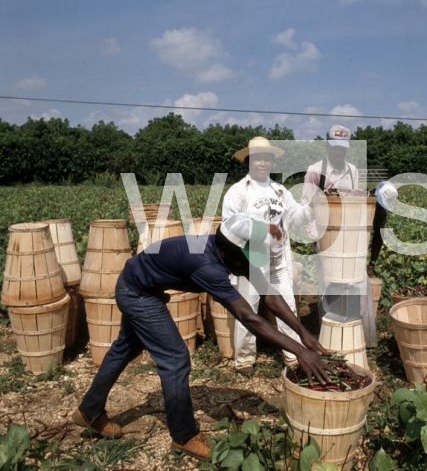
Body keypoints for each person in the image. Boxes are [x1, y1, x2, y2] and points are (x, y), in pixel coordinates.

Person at [72, 214, 331, 461]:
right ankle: (184, 437)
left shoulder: (228, 249)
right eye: (245, 260)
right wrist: (299, 351)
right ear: (226, 253)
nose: (250, 265)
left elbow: (269, 294)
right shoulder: (208, 266)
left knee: (124, 349)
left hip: (139, 282)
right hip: (137, 293)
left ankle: (89, 411)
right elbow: (249, 318)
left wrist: (304, 333)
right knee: (175, 358)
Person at [223, 137, 314, 374]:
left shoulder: (280, 190)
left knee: (288, 307)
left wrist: (312, 207)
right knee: (249, 308)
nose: (262, 162)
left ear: (271, 162)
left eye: (267, 158)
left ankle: (293, 356)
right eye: (257, 158)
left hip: (279, 260)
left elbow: (296, 218)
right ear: (248, 161)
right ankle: (244, 360)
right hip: (252, 259)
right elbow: (230, 225)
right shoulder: (239, 191)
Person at [300, 125, 377, 347]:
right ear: (327, 145)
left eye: (342, 148)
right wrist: (318, 239)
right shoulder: (315, 171)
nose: (338, 152)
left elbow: (356, 203)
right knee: (328, 283)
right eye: (334, 147)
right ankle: (330, 337)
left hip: (350, 238)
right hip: (326, 238)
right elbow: (306, 207)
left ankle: (359, 335)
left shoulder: (352, 170)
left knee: (356, 282)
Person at [366, 181, 398, 278]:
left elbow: (379, 235)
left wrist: (372, 264)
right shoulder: (360, 199)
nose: (378, 208)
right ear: (374, 192)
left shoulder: (382, 212)